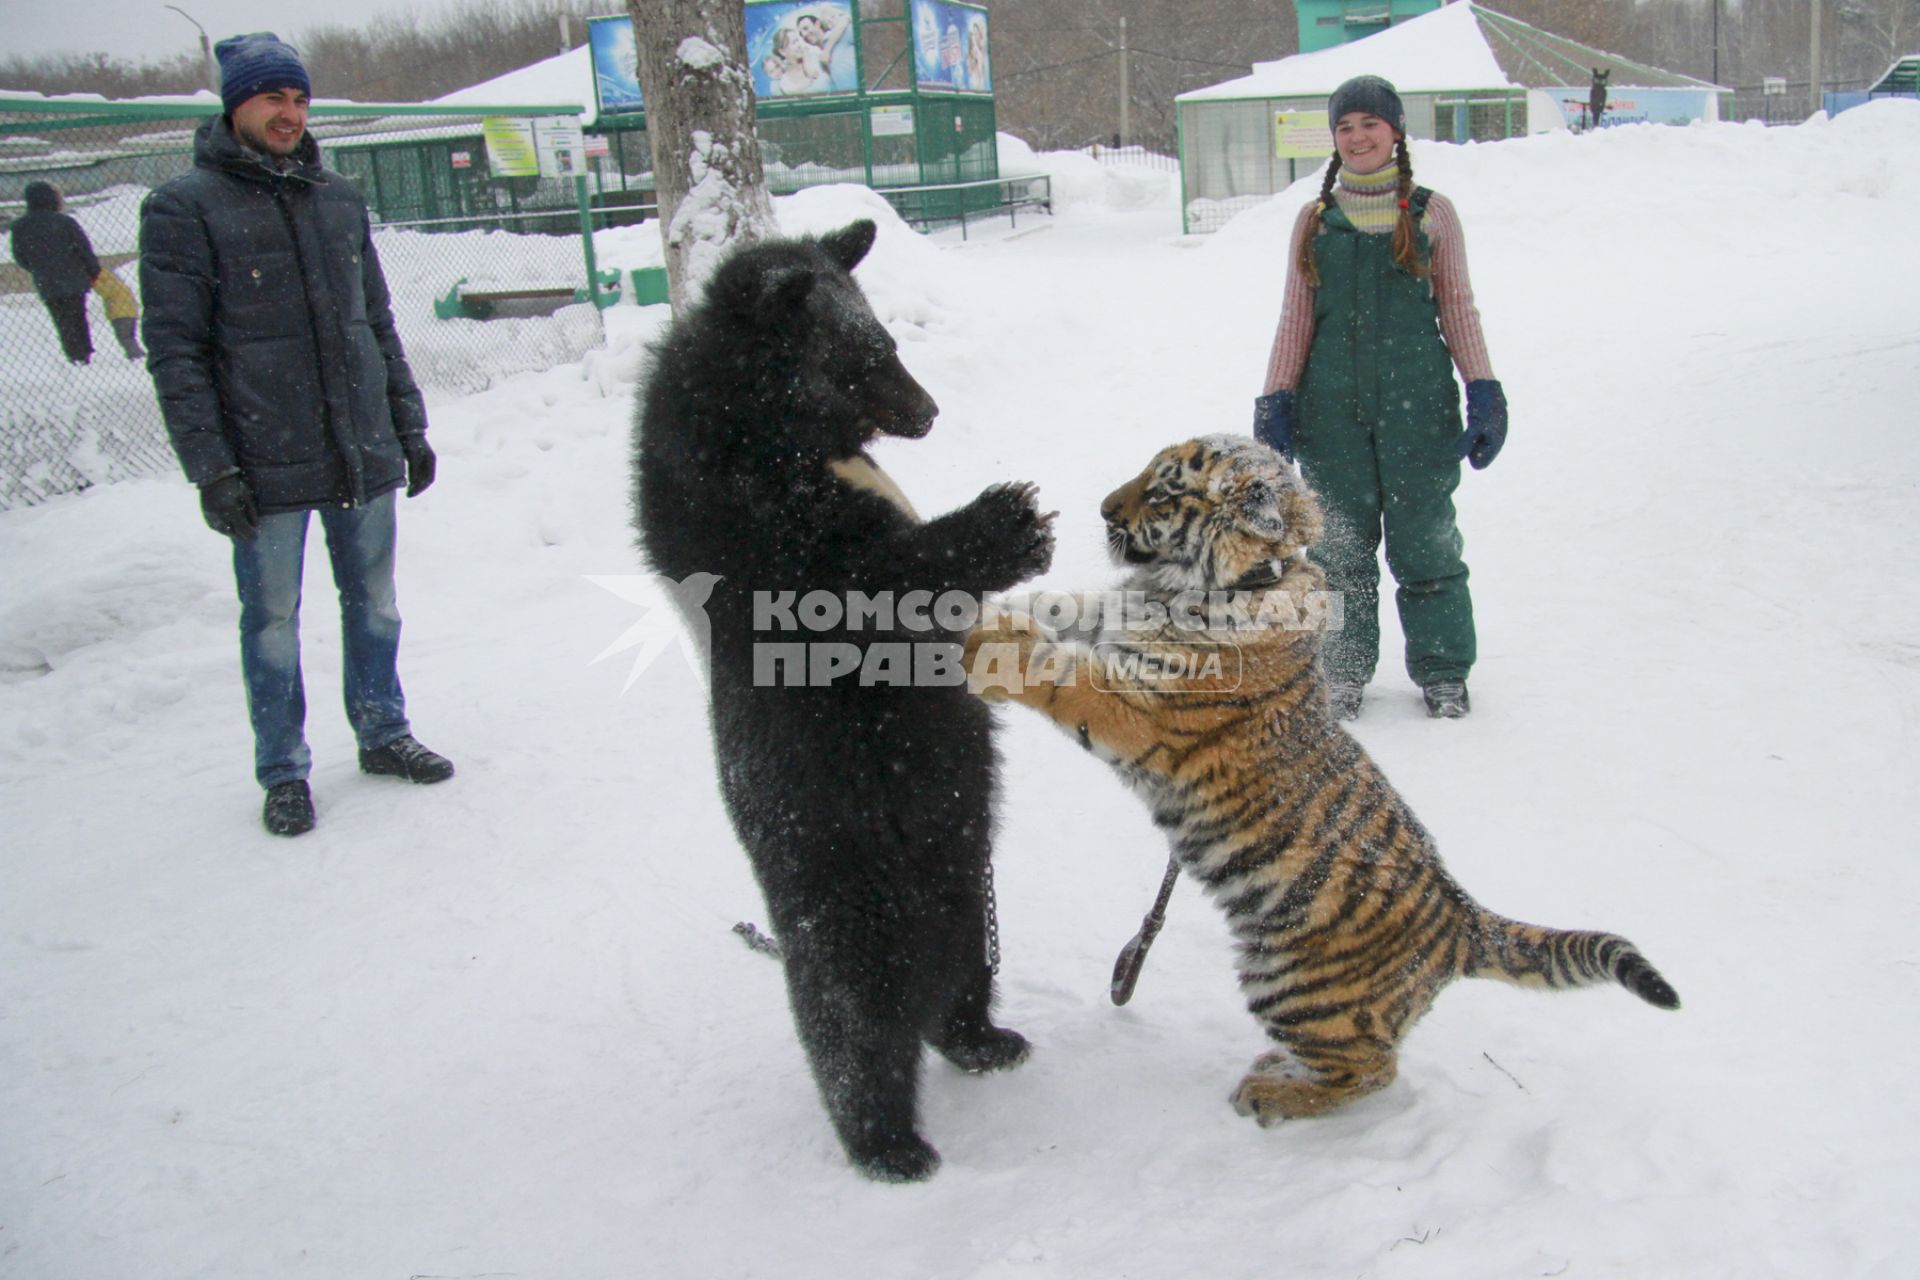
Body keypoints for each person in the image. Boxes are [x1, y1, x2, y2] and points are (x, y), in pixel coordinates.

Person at [139, 32, 453, 837]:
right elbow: (177, 352)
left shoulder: (339, 200)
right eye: (274, 98)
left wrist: (407, 424)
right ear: (235, 104)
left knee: (375, 604)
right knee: (272, 620)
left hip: (361, 447)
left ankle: (383, 732)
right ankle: (283, 769)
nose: (290, 113)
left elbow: (374, 323)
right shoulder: (183, 209)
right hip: (262, 460)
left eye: (300, 98)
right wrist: (212, 468)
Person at [1254, 75, 1508, 721]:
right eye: (1345, 127)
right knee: (1338, 550)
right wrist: (1275, 396)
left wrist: (1483, 388)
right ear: (1335, 140)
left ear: (1395, 130)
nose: (1358, 137)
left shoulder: (1430, 211)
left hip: (1418, 404)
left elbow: (1457, 307)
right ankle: (1341, 674)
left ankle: (1444, 670)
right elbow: (1295, 316)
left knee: (1426, 545)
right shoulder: (1315, 220)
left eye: (1370, 123)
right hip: (1330, 410)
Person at [9, 181, 102, 364]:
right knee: (78, 315)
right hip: (74, 278)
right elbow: (84, 249)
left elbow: (20, 256)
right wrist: (93, 271)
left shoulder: (20, 226)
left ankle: (72, 353)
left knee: (61, 319)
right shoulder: (65, 222)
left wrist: (38, 268)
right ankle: (84, 352)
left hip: (47, 281)